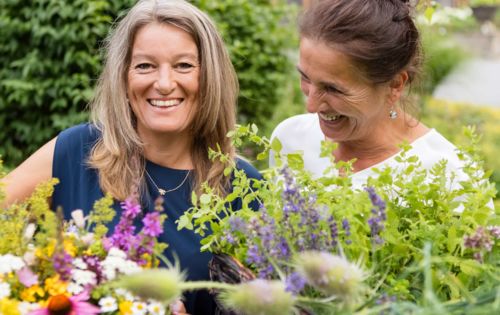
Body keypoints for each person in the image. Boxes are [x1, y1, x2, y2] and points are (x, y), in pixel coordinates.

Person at [1, 0, 261, 314]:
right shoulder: (76, 151)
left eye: (183, 66)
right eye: (145, 66)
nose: (164, 84)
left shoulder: (244, 190)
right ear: (123, 78)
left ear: (209, 78)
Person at [270, 0, 473, 190]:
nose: (311, 106)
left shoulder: (451, 179)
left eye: (333, 89)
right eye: (305, 78)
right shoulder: (290, 139)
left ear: (395, 85)